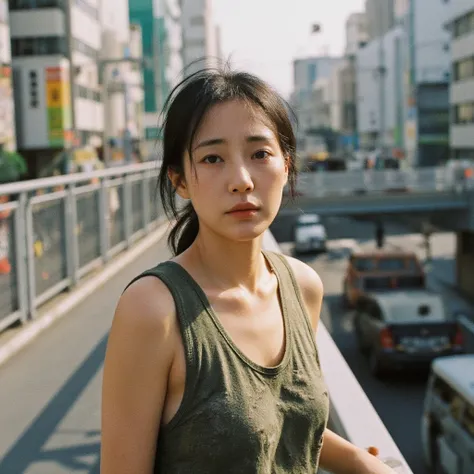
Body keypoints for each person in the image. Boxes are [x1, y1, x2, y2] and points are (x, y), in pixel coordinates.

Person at [100, 67, 396, 474]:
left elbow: (282, 421)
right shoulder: (153, 310)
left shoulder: (302, 286)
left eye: (259, 154)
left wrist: (363, 462)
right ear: (180, 180)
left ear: (286, 165)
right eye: (212, 158)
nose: (241, 180)